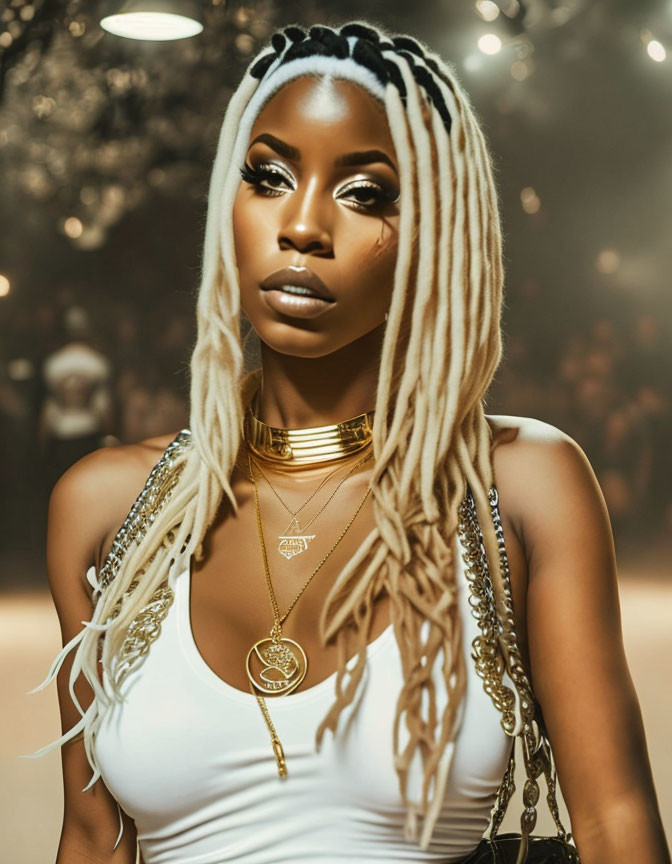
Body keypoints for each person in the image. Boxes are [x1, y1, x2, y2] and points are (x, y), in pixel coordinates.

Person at [31, 21, 669, 864]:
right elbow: (92, 839)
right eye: (268, 176)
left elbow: (615, 821)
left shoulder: (517, 484)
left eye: (364, 193)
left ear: (436, 234)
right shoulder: (109, 509)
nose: (301, 226)